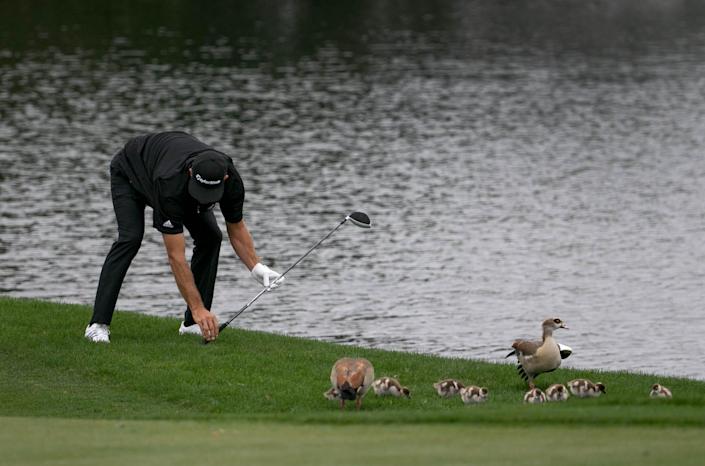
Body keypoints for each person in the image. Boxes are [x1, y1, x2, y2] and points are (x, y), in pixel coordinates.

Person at [85, 131, 282, 343]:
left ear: (224, 179)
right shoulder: (169, 183)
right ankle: (97, 324)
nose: (205, 199)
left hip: (170, 176)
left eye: (210, 194)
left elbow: (236, 227)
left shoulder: (232, 180)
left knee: (211, 237)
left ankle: (191, 324)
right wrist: (198, 308)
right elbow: (176, 257)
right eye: (201, 192)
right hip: (131, 173)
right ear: (190, 172)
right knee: (130, 239)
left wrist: (256, 267)